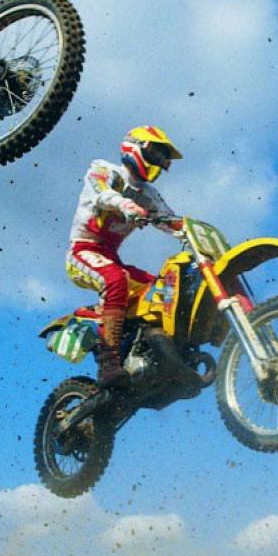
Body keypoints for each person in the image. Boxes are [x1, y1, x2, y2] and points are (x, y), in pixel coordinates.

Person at [66, 125, 183, 388]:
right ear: (135, 147)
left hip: (111, 258)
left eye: (162, 159)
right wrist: (124, 204)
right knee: (116, 279)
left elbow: (171, 221)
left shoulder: (149, 195)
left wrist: (193, 232)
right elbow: (101, 191)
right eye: (156, 154)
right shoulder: (105, 170)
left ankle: (146, 351)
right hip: (83, 251)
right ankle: (108, 362)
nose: (158, 161)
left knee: (163, 288)